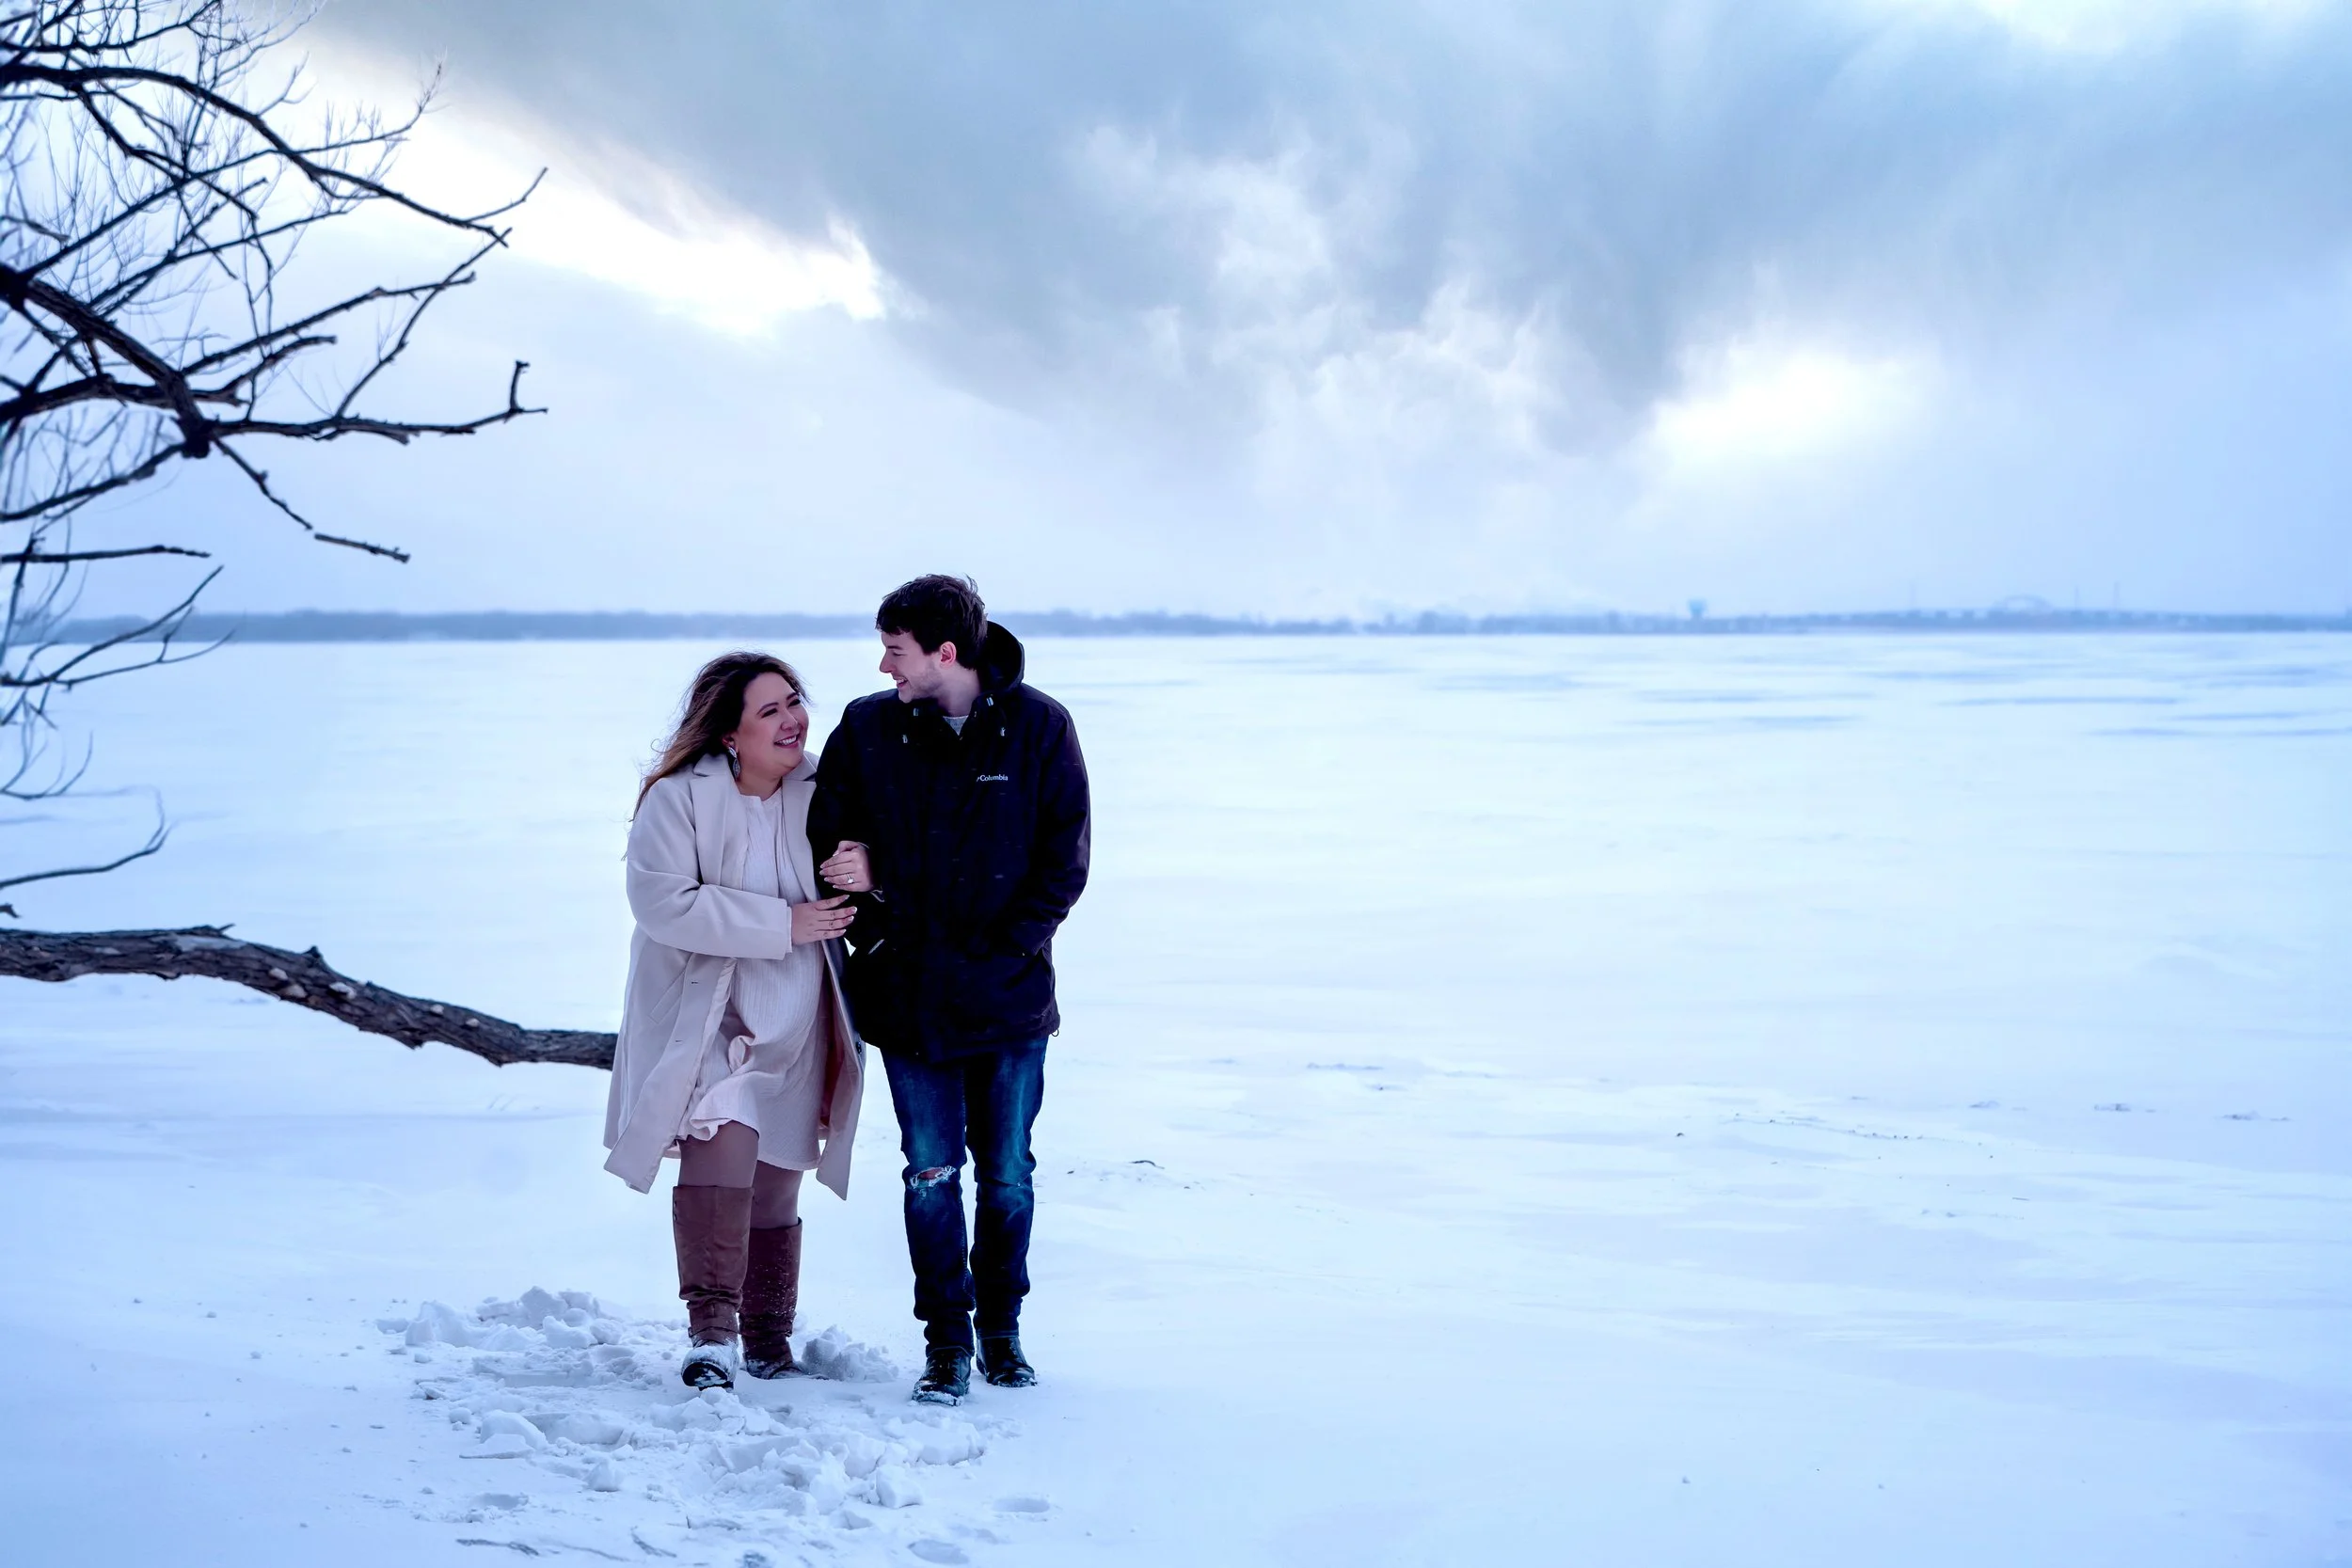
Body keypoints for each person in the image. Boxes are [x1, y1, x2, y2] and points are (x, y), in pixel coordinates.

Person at [810, 576, 1090, 1406]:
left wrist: (1004, 947)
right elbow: (830, 846)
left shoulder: (1039, 727)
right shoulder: (868, 727)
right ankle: (946, 1342)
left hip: (1009, 1000)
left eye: (895, 650)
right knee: (929, 1173)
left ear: (944, 651)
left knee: (1006, 1174)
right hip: (908, 996)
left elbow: (1063, 863)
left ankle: (1001, 1331)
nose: (883, 665)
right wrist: (874, 916)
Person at [604, 652, 866, 1390]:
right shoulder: (676, 798)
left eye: (794, 702)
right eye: (770, 711)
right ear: (728, 733)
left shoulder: (825, 788)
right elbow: (663, 903)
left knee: (779, 1174)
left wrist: (864, 867)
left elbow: (875, 869)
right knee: (721, 1138)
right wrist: (784, 922)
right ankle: (712, 1335)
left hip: (799, 1008)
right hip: (710, 1006)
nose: (792, 720)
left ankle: (769, 1341)